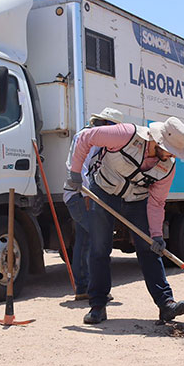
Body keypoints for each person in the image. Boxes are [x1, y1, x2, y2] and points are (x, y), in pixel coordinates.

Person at [69, 116, 184, 324]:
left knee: (149, 249)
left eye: (174, 152)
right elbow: (85, 137)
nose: (171, 155)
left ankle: (166, 304)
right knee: (100, 249)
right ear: (157, 139)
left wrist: (156, 235)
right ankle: (97, 306)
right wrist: (75, 172)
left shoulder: (167, 168)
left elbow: (156, 203)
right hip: (104, 192)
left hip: (136, 201)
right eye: (169, 149)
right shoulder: (126, 135)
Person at [63, 108, 122, 301]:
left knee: (85, 241)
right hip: (82, 196)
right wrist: (91, 196)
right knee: (98, 241)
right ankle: (93, 287)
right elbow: (81, 168)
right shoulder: (88, 137)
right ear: (106, 124)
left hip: (81, 196)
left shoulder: (98, 140)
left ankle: (84, 287)